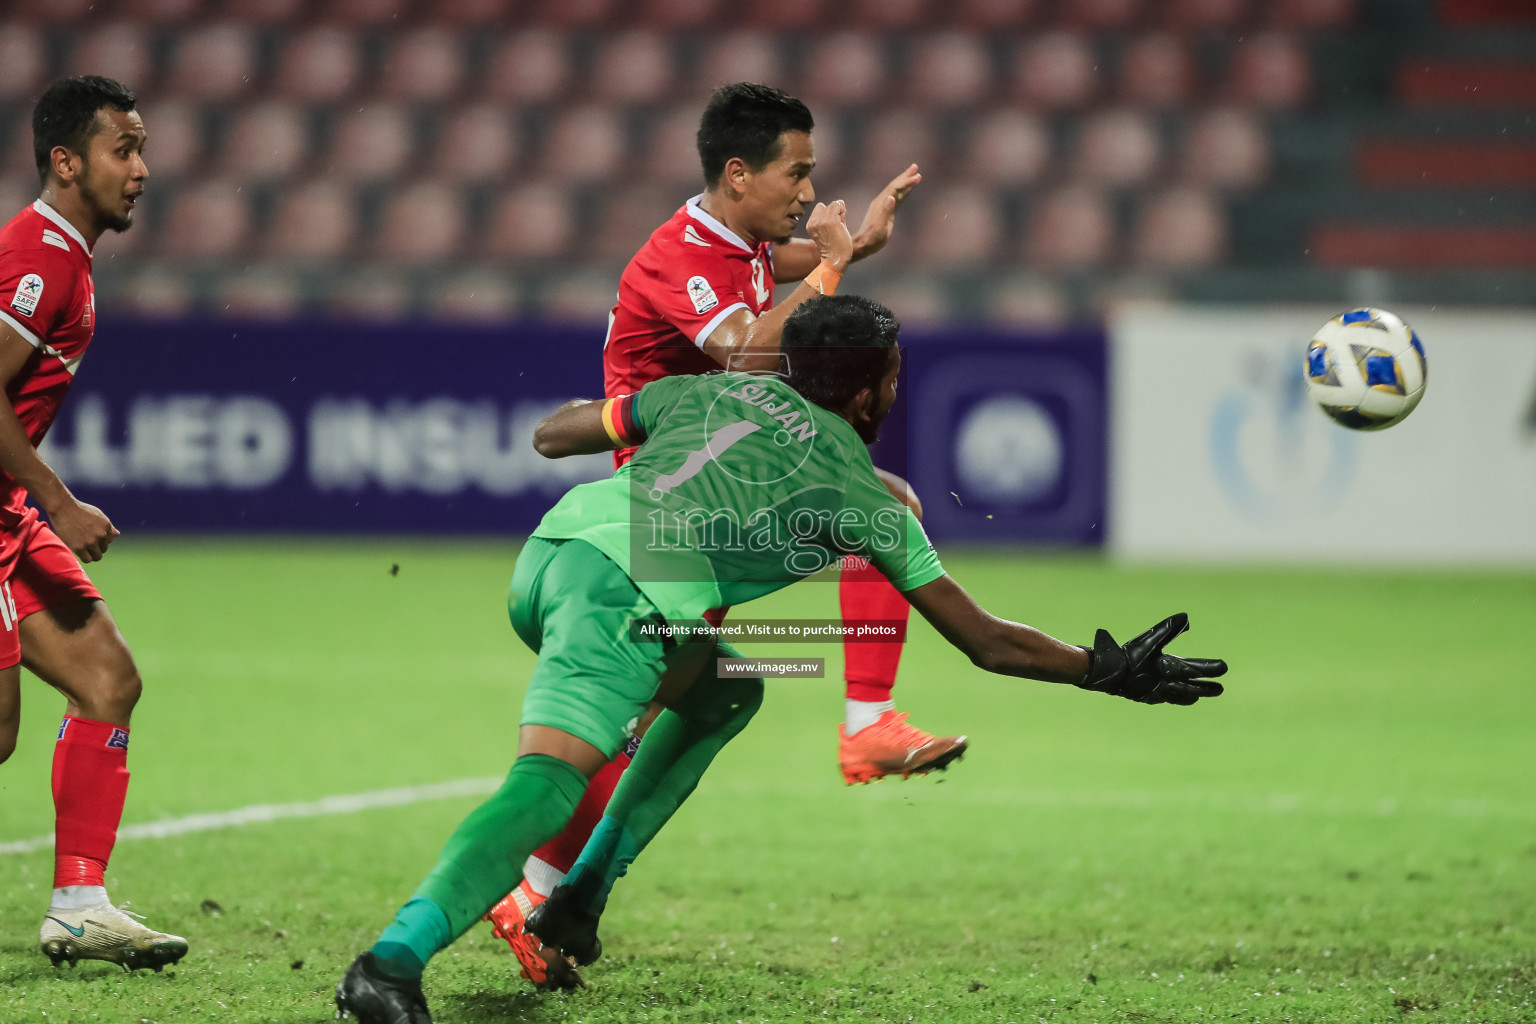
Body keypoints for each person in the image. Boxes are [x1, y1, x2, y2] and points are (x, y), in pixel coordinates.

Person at [333, 293, 1228, 1022]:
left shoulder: (706, 394)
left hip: (555, 555)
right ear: (874, 389)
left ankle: (582, 896)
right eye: (894, 378)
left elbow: (554, 437)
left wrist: (631, 419)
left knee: (727, 689)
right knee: (546, 788)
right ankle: (390, 964)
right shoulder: (864, 499)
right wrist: (1105, 669)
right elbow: (985, 640)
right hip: (622, 594)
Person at [486, 81, 962, 969]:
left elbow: (775, 283)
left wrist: (852, 247)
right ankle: (534, 893)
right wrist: (830, 264)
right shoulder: (680, 257)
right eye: (799, 174)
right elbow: (750, 350)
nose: (808, 192)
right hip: (666, 507)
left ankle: (541, 894)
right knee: (639, 719)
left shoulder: (738, 242)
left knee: (656, 711)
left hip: (714, 486)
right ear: (738, 173)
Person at [0, 76, 186, 972]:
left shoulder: (64, 254)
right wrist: (60, 500)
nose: (142, 169)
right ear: (67, 163)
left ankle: (79, 904)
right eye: (125, 150)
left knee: (108, 679)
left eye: (142, 149)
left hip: (4, 512)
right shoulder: (40, 259)